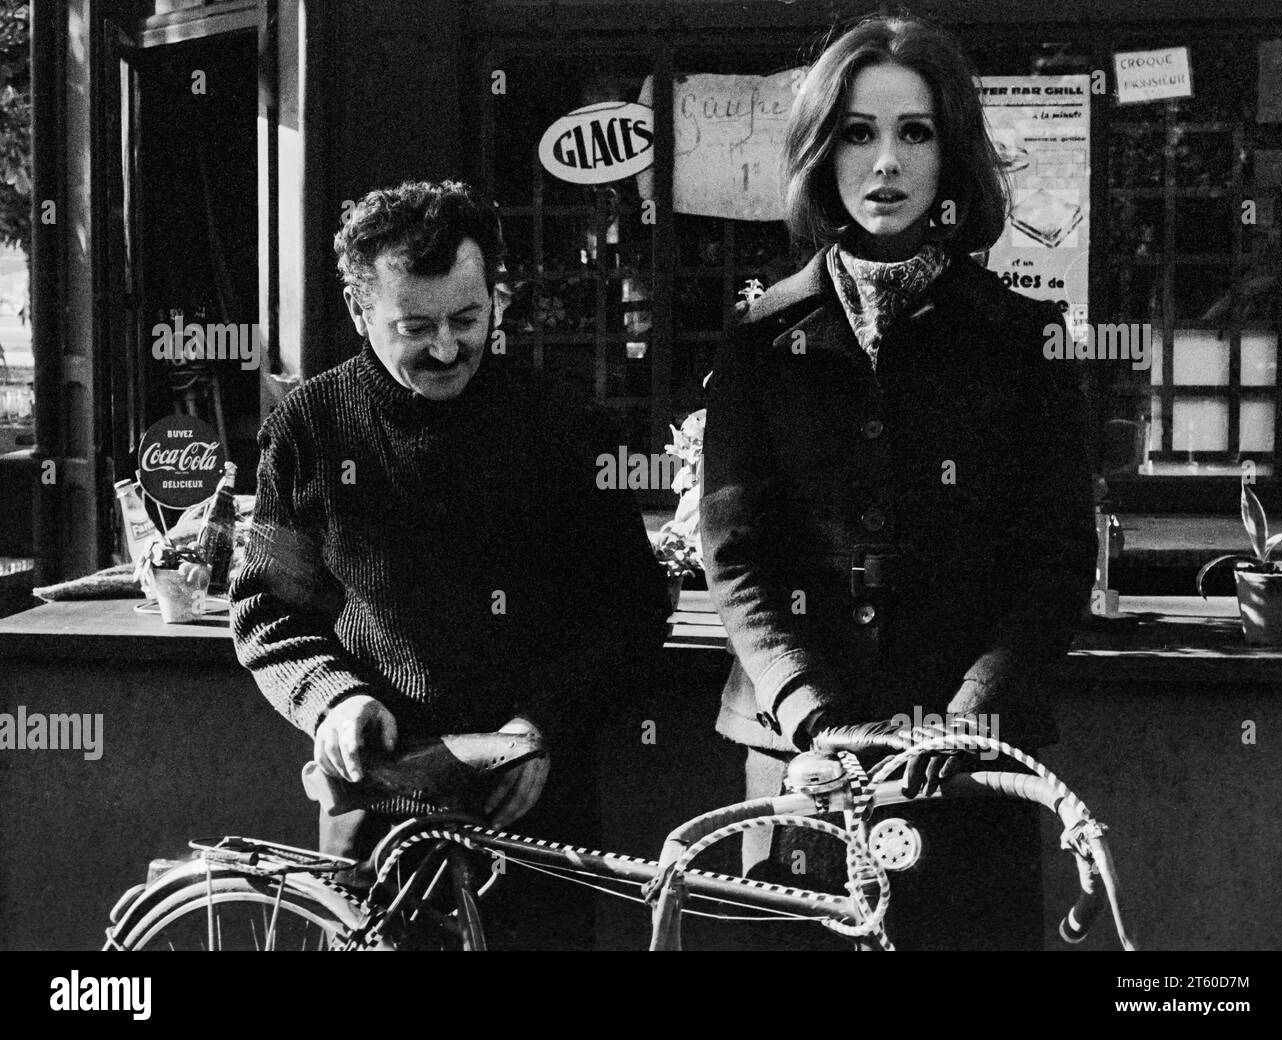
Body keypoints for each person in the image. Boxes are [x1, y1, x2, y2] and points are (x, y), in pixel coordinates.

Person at [700, 13, 1097, 950]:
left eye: (914, 131)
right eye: (858, 132)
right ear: (822, 153)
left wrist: (967, 722)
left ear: (950, 153)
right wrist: (813, 715)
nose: (886, 161)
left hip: (967, 773)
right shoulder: (760, 337)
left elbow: (1055, 556)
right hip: (803, 766)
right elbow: (735, 551)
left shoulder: (1022, 339)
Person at [229, 179, 669, 949]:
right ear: (358, 310)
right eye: (415, 326)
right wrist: (332, 700)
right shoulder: (308, 427)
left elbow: (632, 610)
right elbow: (269, 606)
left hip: (535, 808)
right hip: (378, 802)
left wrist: (544, 727)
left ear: (495, 297)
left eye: (467, 319)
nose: (445, 348)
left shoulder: (564, 426)